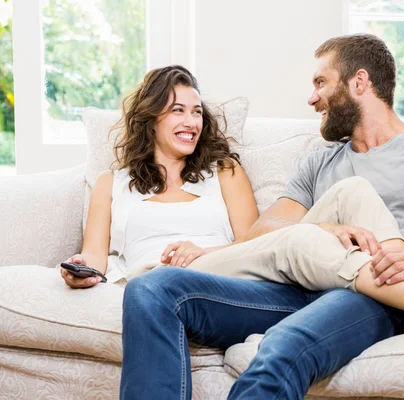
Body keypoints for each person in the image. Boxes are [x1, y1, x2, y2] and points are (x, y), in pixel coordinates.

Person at [119, 34, 404, 400]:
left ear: (359, 82)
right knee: (149, 289)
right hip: (294, 287)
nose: (311, 97)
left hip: (375, 295)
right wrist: (321, 229)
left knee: (281, 350)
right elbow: (263, 233)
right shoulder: (320, 162)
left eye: (320, 82)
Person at [59, 65, 259, 289]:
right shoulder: (110, 183)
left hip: (216, 280)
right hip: (150, 287)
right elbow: (94, 256)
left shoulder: (224, 171)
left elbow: (255, 244)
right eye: (177, 110)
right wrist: (80, 269)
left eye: (197, 112)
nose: (192, 122)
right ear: (152, 119)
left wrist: (203, 254)